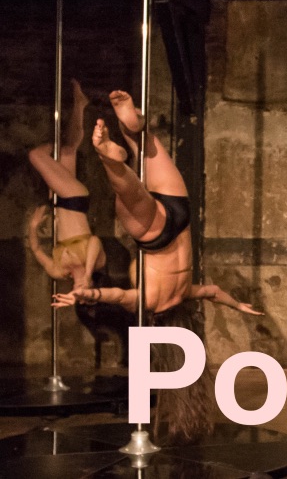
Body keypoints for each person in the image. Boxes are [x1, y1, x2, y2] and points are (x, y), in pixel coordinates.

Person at [51, 90, 260, 445]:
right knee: (130, 196)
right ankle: (112, 161)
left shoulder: (185, 294)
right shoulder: (151, 303)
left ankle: (134, 130)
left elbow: (212, 292)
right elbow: (116, 295)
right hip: (156, 238)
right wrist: (85, 294)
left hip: (180, 217)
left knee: (148, 147)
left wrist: (238, 305)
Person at [26, 80, 105, 290]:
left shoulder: (59, 271)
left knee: (68, 151)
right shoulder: (96, 264)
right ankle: (56, 143)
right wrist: (87, 273)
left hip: (60, 202)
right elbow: (95, 241)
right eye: (86, 292)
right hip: (74, 200)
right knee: (36, 155)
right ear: (92, 285)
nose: (80, 289)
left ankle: (80, 104)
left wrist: (33, 227)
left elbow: (37, 251)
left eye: (78, 293)